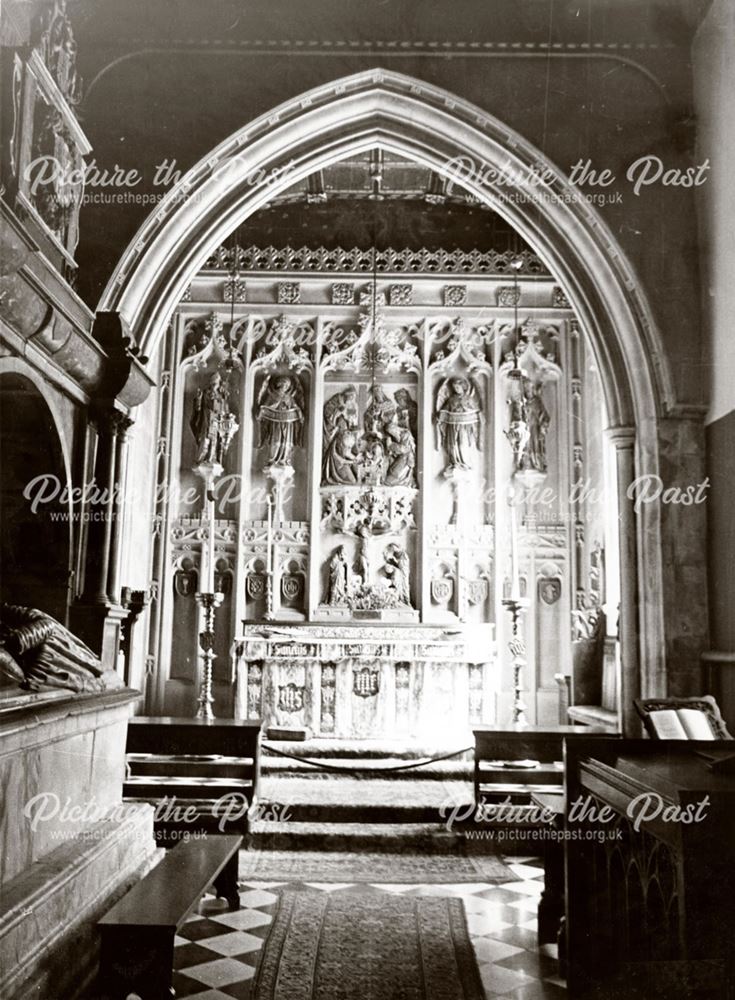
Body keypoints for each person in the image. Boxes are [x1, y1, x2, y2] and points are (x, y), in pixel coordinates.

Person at [435, 377, 482, 472]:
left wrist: (468, 410)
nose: (456, 389)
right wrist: (440, 417)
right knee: (452, 445)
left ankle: (465, 463)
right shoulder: (451, 399)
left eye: (458, 387)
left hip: (464, 426)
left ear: (463, 387)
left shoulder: (468, 398)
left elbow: (475, 410)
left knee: (462, 444)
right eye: (454, 387)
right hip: (452, 425)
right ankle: (454, 463)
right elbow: (444, 410)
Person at [256, 375, 304, 467]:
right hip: (275, 423)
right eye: (284, 385)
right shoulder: (272, 396)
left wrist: (299, 413)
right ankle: (273, 459)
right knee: (276, 442)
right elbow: (265, 407)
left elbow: (295, 407)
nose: (285, 388)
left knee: (286, 443)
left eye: (287, 386)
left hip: (288, 424)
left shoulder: (289, 397)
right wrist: (274, 406)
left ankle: (284, 459)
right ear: (279, 385)